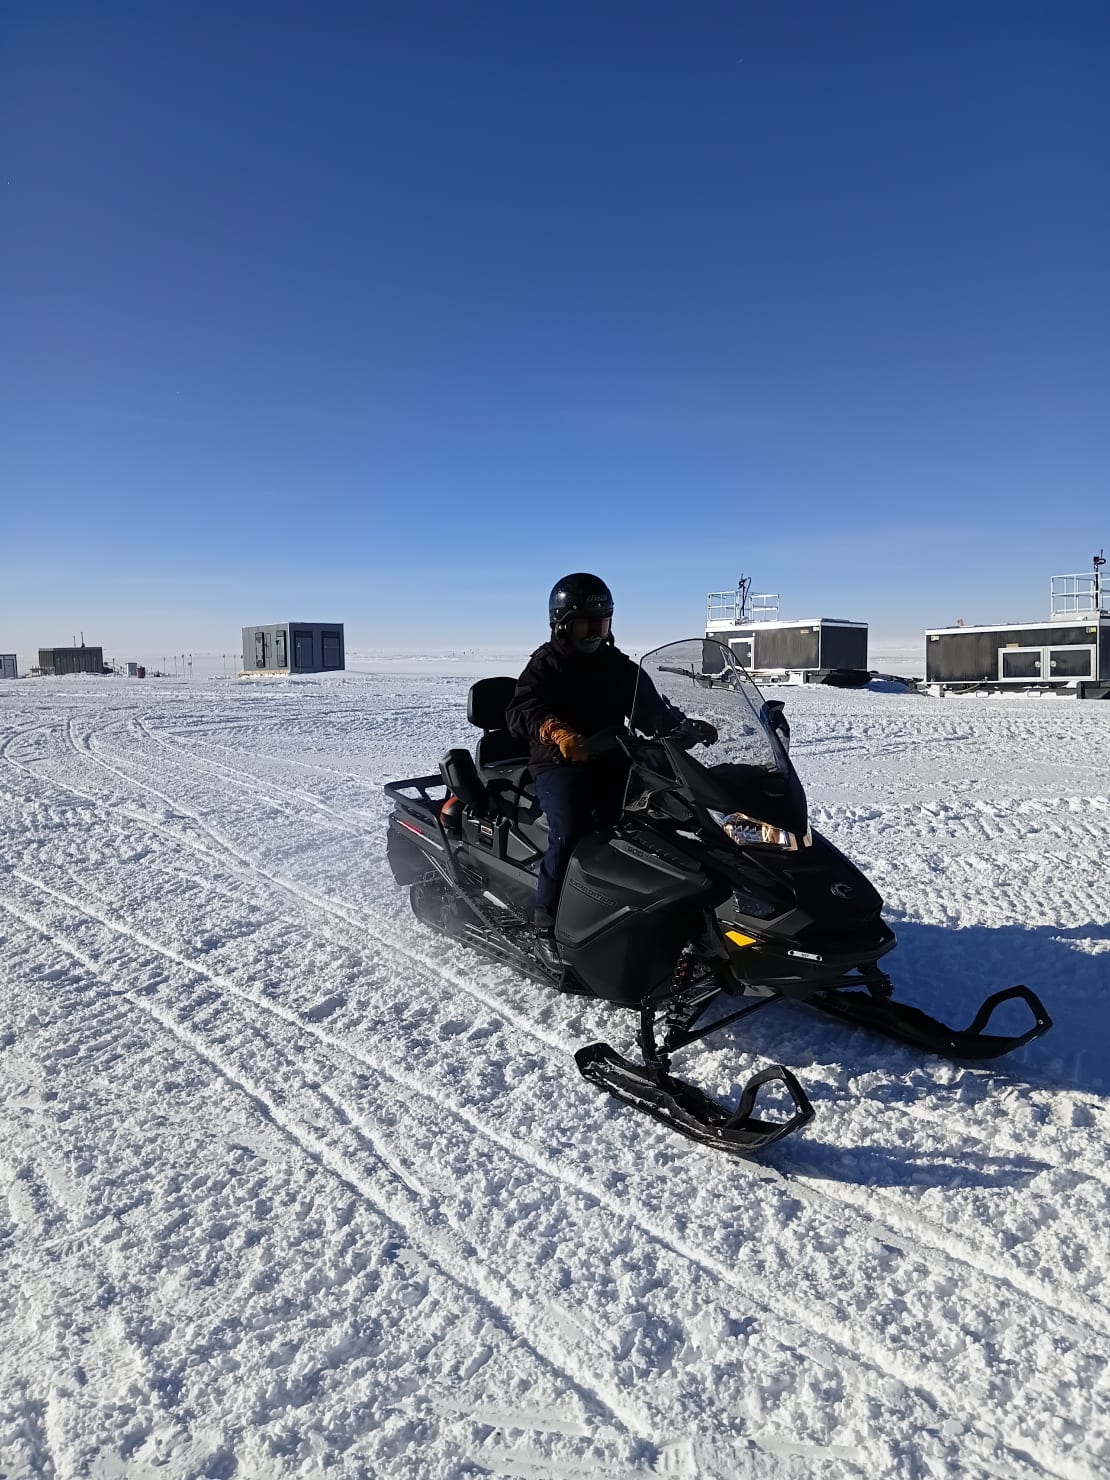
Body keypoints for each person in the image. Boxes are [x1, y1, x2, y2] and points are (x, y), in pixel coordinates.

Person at [506, 573, 716, 962]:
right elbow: (521, 710)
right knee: (569, 832)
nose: (596, 632)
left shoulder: (617, 665)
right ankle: (545, 923)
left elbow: (650, 710)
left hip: (616, 757)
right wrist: (555, 729)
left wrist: (682, 728)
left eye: (602, 623)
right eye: (588, 623)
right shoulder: (546, 664)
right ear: (563, 624)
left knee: (664, 821)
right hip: (559, 763)